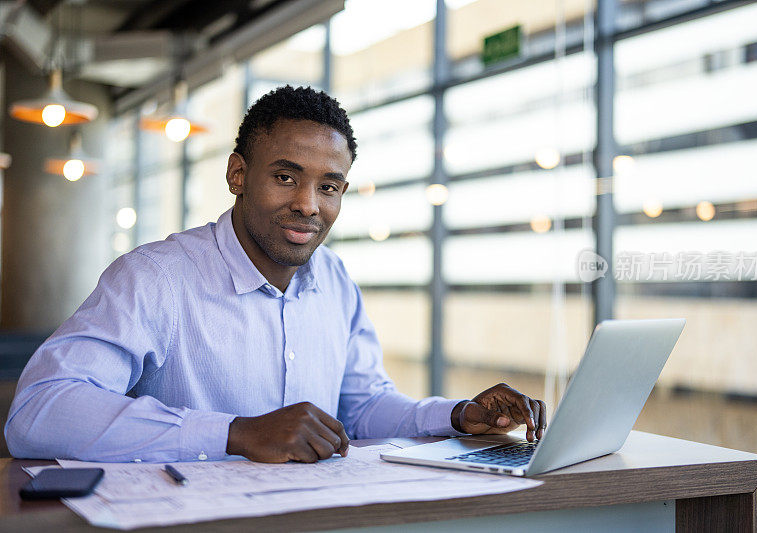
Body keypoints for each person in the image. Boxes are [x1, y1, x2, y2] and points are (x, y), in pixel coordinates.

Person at [4, 86, 546, 464]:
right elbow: (39, 411)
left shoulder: (334, 280)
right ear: (237, 175)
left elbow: (360, 408)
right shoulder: (155, 279)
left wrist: (457, 415)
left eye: (329, 186)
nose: (309, 205)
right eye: (286, 176)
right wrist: (236, 433)